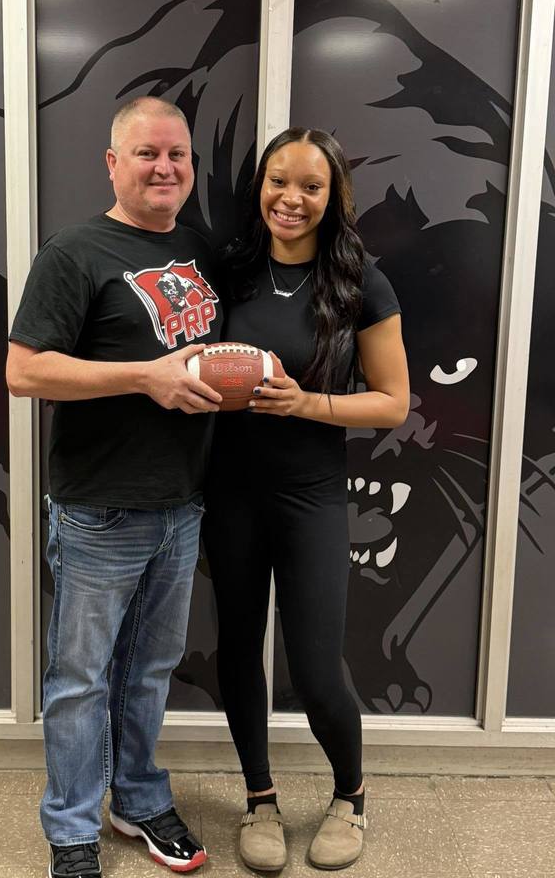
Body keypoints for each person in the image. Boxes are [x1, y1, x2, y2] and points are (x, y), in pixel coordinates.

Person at [6, 97, 222, 878]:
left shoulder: (197, 247)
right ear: (113, 163)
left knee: (150, 671)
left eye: (178, 155)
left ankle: (135, 797)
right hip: (101, 509)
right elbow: (23, 370)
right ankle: (70, 830)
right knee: (79, 681)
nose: (165, 168)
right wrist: (144, 378)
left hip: (183, 504)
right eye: (147, 154)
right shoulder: (75, 252)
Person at [202, 127, 409, 871]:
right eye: (277, 181)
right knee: (237, 652)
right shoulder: (230, 270)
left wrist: (307, 405)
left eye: (310, 186)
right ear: (260, 187)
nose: (290, 198)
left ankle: (350, 796)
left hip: (310, 496)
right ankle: (259, 800)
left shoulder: (360, 282)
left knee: (318, 670)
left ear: (332, 196)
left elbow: (392, 403)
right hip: (229, 492)